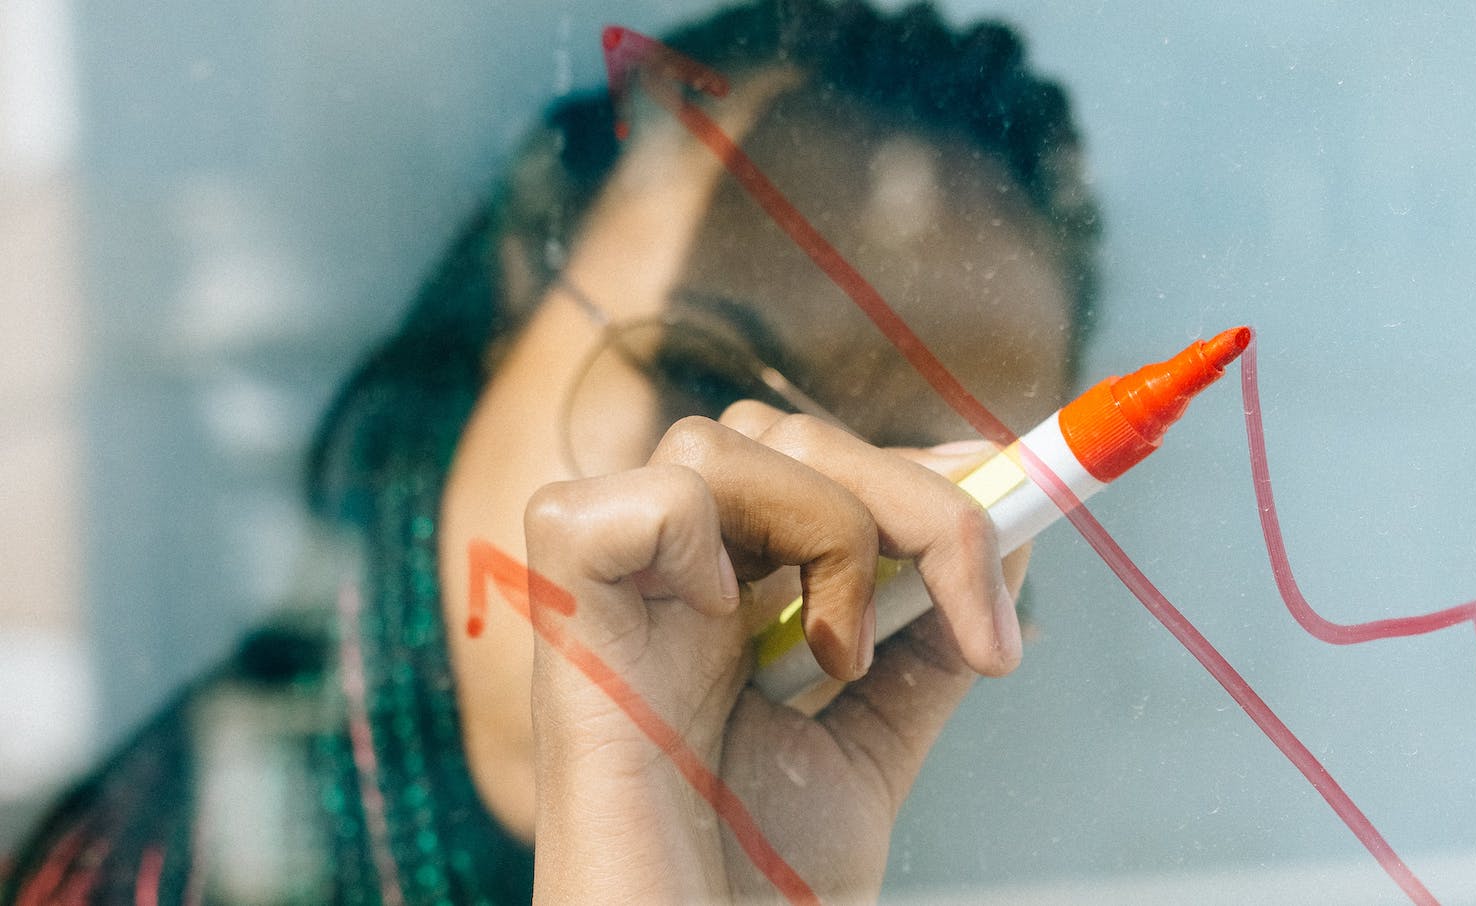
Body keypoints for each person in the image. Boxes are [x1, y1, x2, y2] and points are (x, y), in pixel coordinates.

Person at [1, 0, 1098, 902]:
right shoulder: (142, 859)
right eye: (701, 378)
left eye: (902, 509)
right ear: (508, 310)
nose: (778, 533)